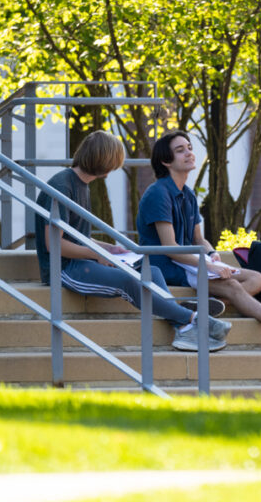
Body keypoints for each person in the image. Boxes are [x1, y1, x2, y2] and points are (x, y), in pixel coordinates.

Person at [35, 131, 231, 353]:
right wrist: (97, 255)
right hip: (64, 270)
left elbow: (76, 235)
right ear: (102, 159)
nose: (113, 169)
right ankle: (195, 319)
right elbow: (55, 245)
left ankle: (182, 326)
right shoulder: (62, 186)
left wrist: (109, 248)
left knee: (153, 271)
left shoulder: (81, 185)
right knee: (128, 280)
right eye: (113, 163)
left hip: (82, 262)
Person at [136, 130, 261, 350]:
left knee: (258, 278)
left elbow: (198, 239)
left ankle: (199, 309)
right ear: (166, 161)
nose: (189, 153)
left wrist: (211, 252)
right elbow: (170, 249)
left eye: (189, 148)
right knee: (232, 284)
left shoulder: (188, 194)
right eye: (180, 150)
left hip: (190, 262)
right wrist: (208, 264)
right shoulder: (158, 193)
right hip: (166, 266)